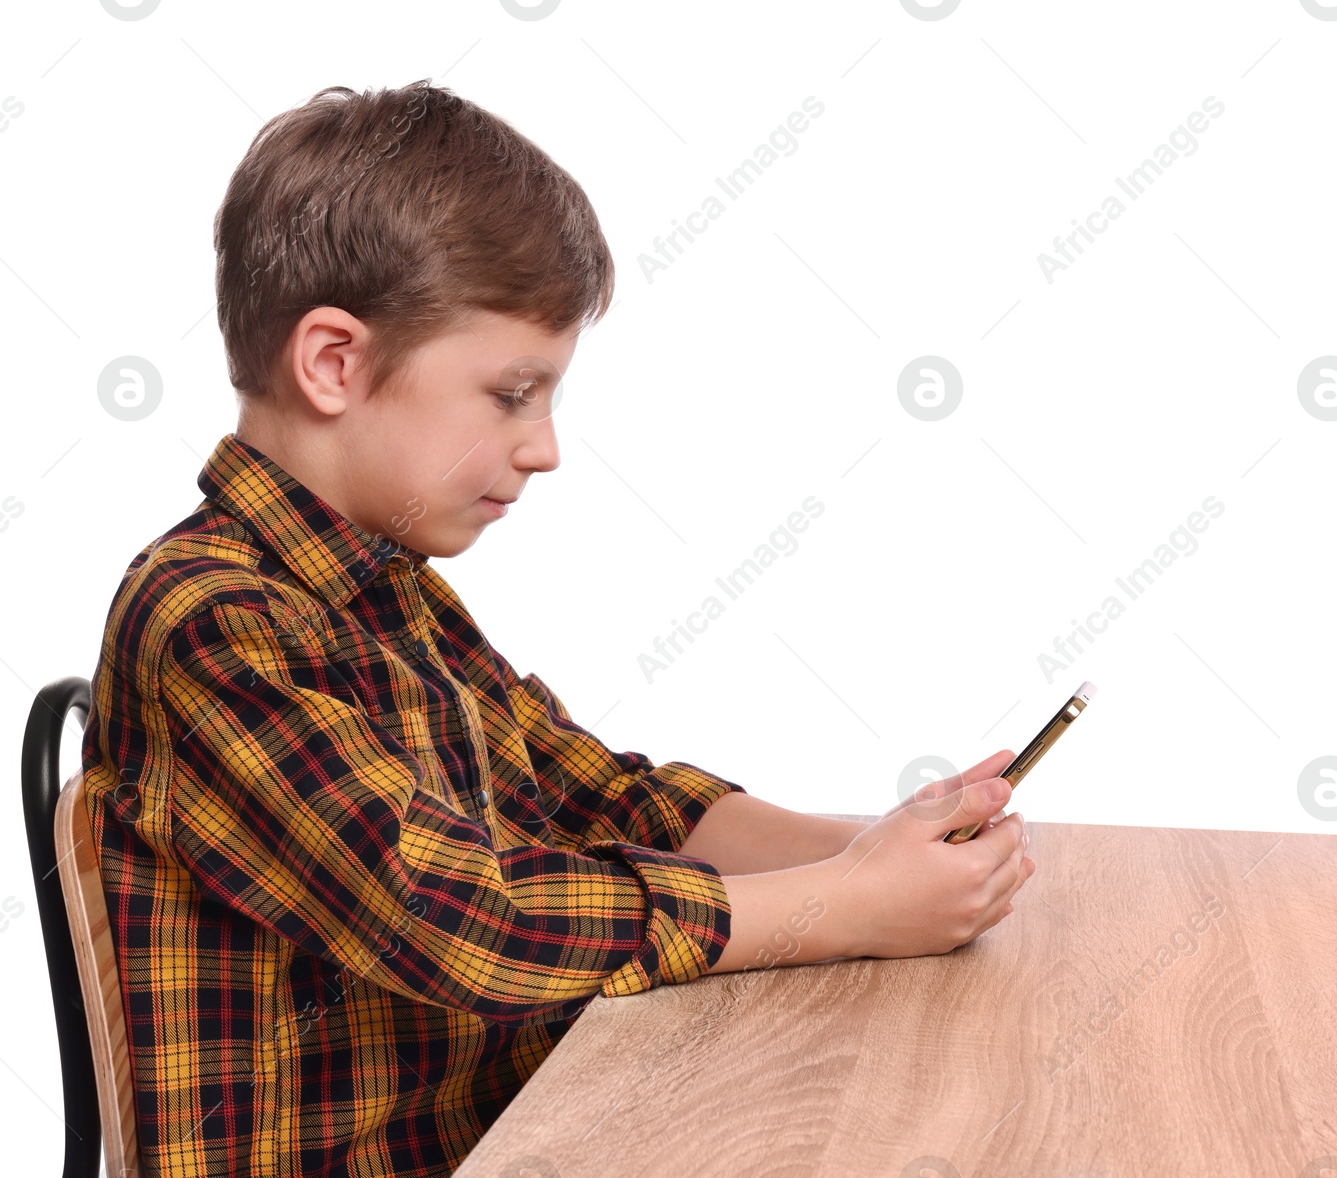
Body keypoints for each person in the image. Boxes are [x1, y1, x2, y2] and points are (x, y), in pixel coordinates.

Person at [79, 80, 1033, 1178]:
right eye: (510, 393)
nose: (544, 448)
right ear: (334, 363)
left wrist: (875, 850)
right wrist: (848, 906)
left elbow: (596, 793)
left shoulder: (390, 592)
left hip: (523, 1130)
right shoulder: (209, 622)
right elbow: (460, 917)